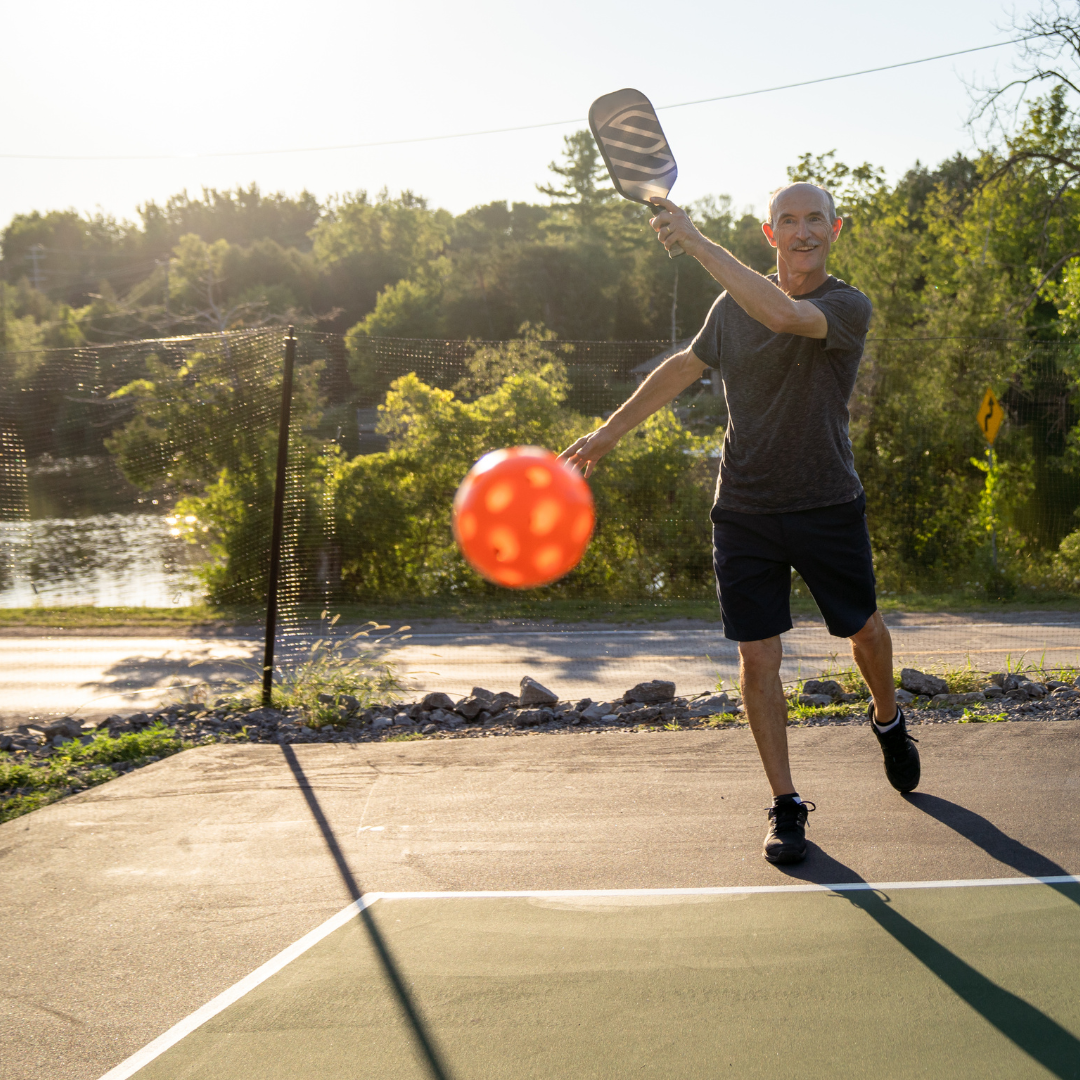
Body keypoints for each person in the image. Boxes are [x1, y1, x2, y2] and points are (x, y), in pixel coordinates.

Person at [559, 182, 919, 865]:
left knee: (865, 632)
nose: (804, 230)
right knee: (757, 655)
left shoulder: (846, 306)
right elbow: (683, 367)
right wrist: (610, 431)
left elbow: (782, 315)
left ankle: (888, 718)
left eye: (816, 219)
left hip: (825, 504)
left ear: (835, 230)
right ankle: (786, 803)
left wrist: (694, 241)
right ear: (769, 232)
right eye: (790, 220)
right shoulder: (729, 308)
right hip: (745, 510)